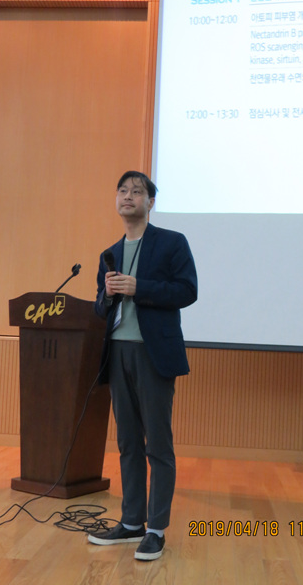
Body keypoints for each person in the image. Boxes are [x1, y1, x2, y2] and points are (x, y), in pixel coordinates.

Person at [88, 170, 197, 561]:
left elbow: (187, 291)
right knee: (128, 442)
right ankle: (131, 522)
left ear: (150, 202)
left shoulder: (171, 243)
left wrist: (140, 288)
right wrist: (107, 295)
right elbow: (100, 308)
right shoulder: (110, 253)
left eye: (137, 191)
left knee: (158, 444)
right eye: (122, 190)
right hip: (118, 352)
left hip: (152, 354)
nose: (128, 196)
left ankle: (156, 529)